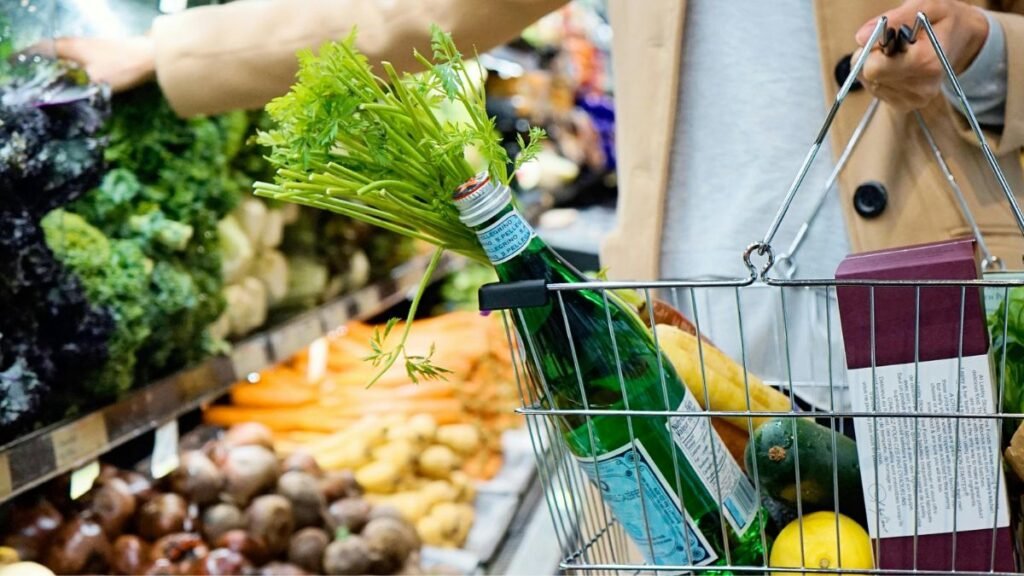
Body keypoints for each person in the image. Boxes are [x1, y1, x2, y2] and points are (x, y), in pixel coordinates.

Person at [54, 0, 1024, 407]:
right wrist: (174, 53)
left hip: (950, 323)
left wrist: (984, 59)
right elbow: (406, 11)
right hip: (690, 331)